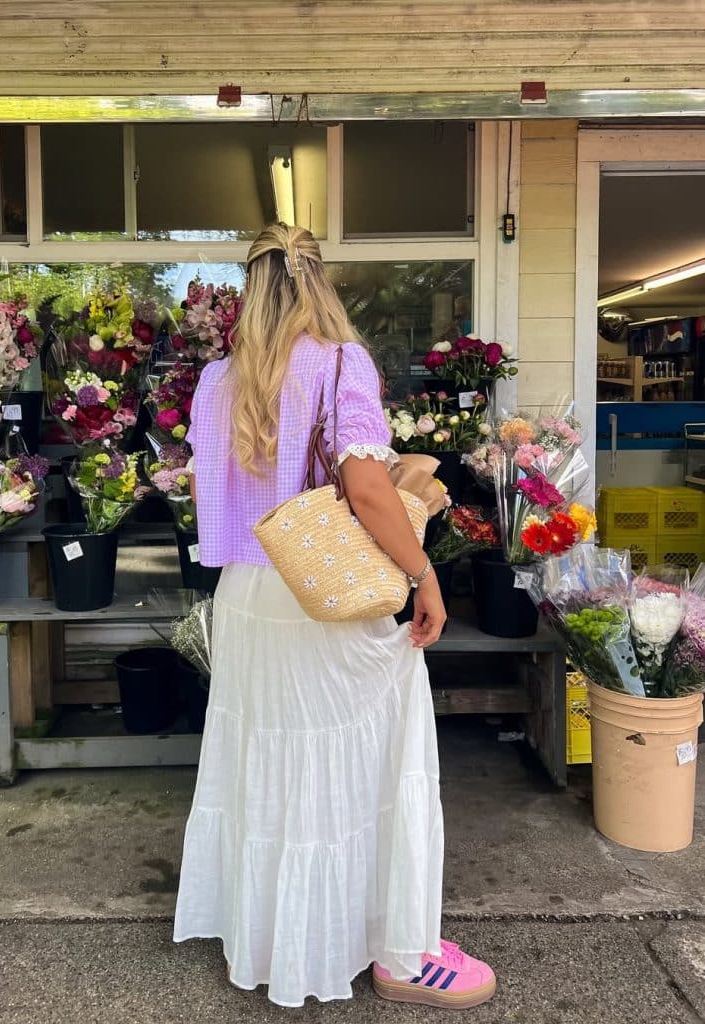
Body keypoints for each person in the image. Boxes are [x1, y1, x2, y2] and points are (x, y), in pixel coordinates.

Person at [173, 223, 496, 1010]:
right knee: (376, 758)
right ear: (320, 284)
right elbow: (367, 488)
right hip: (327, 591)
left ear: (249, 289)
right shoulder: (341, 363)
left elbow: (203, 488)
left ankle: (273, 936)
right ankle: (397, 952)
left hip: (249, 594)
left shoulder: (217, 379)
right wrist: (424, 576)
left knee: (268, 763)